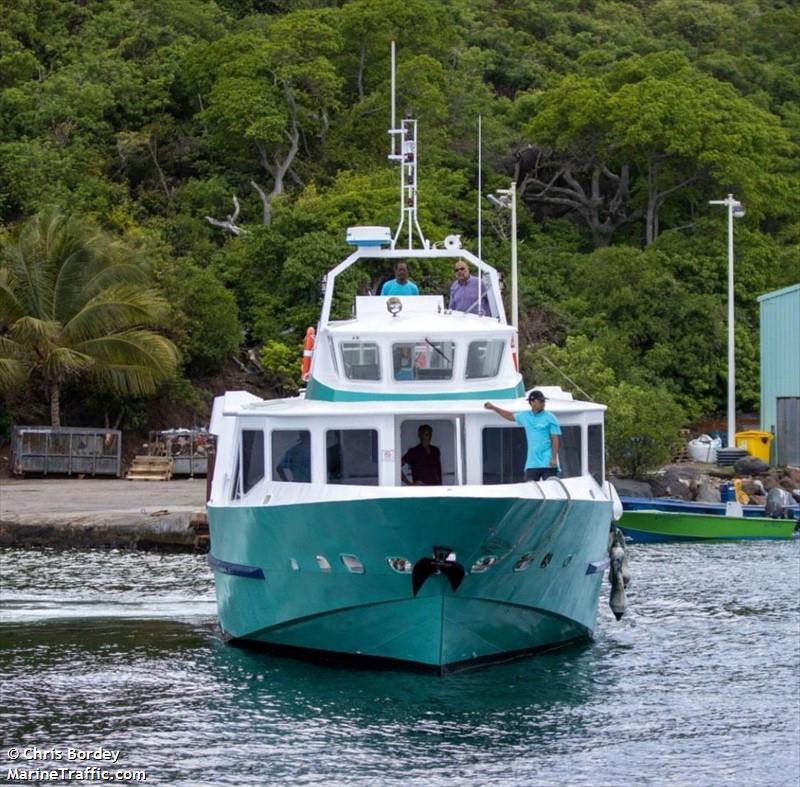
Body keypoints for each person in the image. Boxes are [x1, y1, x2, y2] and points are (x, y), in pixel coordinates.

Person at [484, 390, 561, 481]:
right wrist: (493, 407)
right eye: (540, 401)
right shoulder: (525, 416)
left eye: (544, 401)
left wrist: (554, 458)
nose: (543, 403)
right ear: (532, 402)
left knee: (550, 489)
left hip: (548, 462)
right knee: (530, 489)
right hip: (532, 463)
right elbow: (510, 416)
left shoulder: (551, 418)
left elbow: (555, 438)